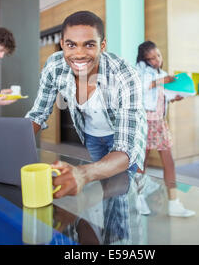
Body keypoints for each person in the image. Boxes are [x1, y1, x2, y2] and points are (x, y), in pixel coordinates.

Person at [25, 11, 147, 198]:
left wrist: (82, 173)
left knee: (124, 191)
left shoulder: (125, 75)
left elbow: (124, 149)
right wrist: (12, 147)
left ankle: (139, 193)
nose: (79, 54)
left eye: (89, 45)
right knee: (103, 186)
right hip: (91, 134)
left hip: (122, 133)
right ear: (62, 44)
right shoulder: (54, 66)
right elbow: (38, 114)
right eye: (71, 45)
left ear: (102, 45)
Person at [135, 41, 195, 218]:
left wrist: (175, 97)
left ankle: (174, 203)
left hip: (160, 123)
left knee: (169, 161)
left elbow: (164, 96)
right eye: (151, 58)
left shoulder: (163, 74)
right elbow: (142, 88)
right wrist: (160, 81)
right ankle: (139, 198)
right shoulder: (140, 72)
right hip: (144, 122)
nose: (156, 60)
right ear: (144, 60)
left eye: (158, 56)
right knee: (142, 162)